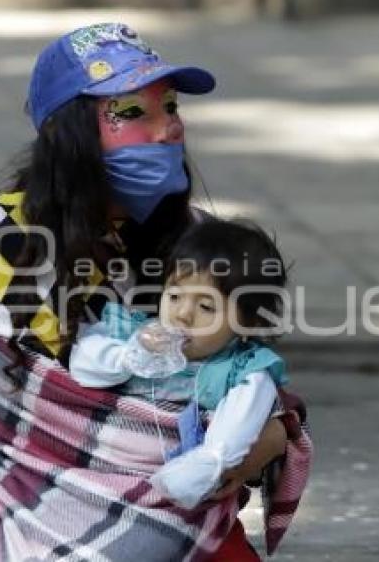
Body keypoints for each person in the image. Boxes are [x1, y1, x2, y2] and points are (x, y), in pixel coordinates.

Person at [0, 22, 311, 561]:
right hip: (13, 514)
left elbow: (247, 375)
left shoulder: (193, 241)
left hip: (167, 526)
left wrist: (269, 437)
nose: (168, 128)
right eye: (133, 113)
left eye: (170, 107)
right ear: (71, 135)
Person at [69, 218, 294, 512]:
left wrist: (199, 470)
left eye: (206, 307)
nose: (183, 314)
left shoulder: (242, 372)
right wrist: (130, 355)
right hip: (94, 473)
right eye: (174, 296)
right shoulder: (133, 333)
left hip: (170, 498)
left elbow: (230, 438)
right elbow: (83, 366)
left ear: (246, 322)